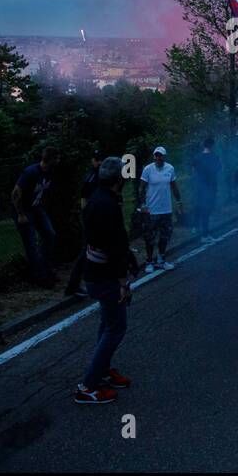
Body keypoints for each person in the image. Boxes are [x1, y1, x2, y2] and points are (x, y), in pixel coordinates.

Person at [76, 156, 141, 404]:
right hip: (105, 277)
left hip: (95, 273)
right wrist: (123, 282)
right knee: (116, 327)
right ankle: (87, 386)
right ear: (119, 178)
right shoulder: (108, 205)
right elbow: (114, 247)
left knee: (106, 324)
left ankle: (102, 371)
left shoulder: (97, 198)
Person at [12, 146, 60, 286]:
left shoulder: (50, 172)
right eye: (57, 157)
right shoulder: (31, 172)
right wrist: (20, 214)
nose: (59, 160)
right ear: (50, 159)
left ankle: (47, 269)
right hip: (24, 210)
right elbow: (15, 194)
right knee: (31, 244)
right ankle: (39, 277)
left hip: (36, 207)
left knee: (50, 234)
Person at [137, 145, 181, 272]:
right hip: (152, 210)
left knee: (165, 235)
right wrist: (143, 204)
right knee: (150, 237)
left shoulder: (170, 168)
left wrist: (179, 201)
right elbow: (141, 188)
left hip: (166, 209)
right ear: (154, 156)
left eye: (161, 155)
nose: (158, 158)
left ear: (164, 156)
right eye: (156, 155)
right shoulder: (148, 169)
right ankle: (149, 261)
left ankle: (161, 259)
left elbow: (174, 186)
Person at [65, 147, 103, 296]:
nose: (99, 162)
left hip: (100, 218)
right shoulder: (90, 178)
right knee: (87, 252)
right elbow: (84, 201)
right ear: (92, 161)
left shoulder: (102, 176)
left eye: (101, 159)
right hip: (93, 220)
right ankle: (73, 285)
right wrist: (89, 220)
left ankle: (96, 280)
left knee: (97, 251)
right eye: (96, 160)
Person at [191, 137, 222, 242]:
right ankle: (205, 235)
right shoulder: (214, 157)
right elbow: (218, 169)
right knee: (206, 210)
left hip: (199, 187)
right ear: (212, 146)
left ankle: (195, 227)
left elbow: (193, 171)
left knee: (199, 207)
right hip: (210, 187)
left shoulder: (197, 157)